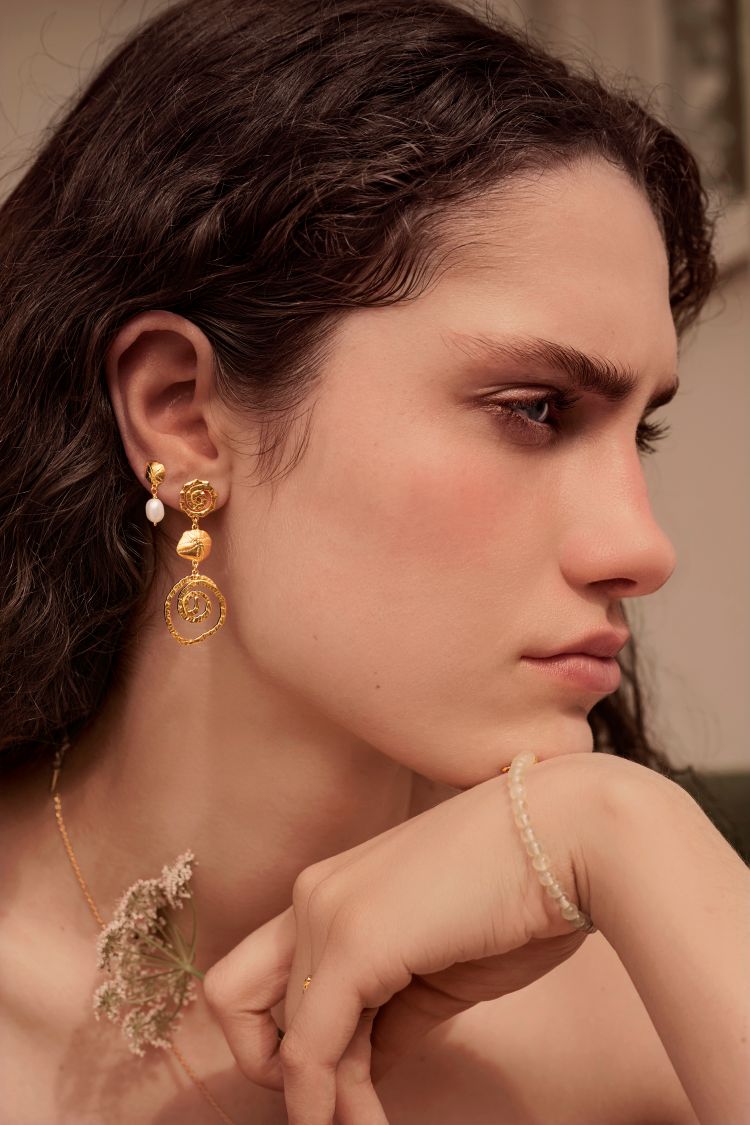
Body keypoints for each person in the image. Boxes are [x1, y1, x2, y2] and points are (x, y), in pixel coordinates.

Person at [0, 0, 747, 1122]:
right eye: (536, 409)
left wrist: (624, 832)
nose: (642, 549)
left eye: (638, 432)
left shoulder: (665, 998)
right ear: (183, 413)